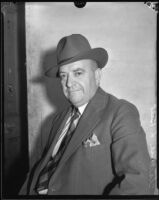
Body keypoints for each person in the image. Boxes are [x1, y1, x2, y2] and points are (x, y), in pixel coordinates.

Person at [19, 34, 151, 195]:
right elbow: (42, 168)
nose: (68, 83)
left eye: (78, 73)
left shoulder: (120, 112)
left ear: (97, 75)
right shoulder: (58, 119)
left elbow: (136, 183)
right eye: (63, 75)